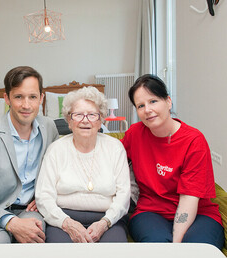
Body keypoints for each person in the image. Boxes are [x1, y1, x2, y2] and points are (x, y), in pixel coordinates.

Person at [122, 74, 224, 249]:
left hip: (198, 213)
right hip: (150, 212)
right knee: (157, 246)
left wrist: (176, 246)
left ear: (168, 102)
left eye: (153, 101)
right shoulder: (134, 134)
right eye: (140, 105)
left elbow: (189, 199)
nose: (147, 109)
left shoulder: (194, 140)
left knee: (195, 250)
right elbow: (110, 161)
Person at [0, 66, 59, 244]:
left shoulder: (49, 128)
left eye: (33, 97)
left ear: (41, 99)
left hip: (31, 209)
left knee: (35, 236)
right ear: (6, 98)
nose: (26, 105)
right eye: (18, 97)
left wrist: (45, 195)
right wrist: (12, 223)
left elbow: (58, 172)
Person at [35, 86, 130, 243]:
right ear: (69, 121)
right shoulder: (56, 149)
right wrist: (67, 223)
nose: (85, 120)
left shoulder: (114, 147)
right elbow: (44, 196)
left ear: (100, 121)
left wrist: (105, 223)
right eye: (78, 115)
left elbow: (124, 195)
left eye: (92, 115)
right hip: (63, 219)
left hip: (108, 219)